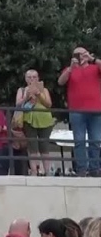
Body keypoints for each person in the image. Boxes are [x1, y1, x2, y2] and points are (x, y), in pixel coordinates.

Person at [58, 47, 101, 176]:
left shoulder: (95, 67)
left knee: (95, 140)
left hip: (95, 110)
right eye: (78, 54)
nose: (81, 56)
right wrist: (71, 67)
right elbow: (60, 81)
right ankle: (81, 169)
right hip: (76, 110)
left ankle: (95, 168)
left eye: (83, 54)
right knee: (79, 141)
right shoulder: (70, 70)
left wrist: (93, 59)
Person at [16, 69, 54, 176]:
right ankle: (34, 171)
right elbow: (18, 104)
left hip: (44, 120)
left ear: (38, 78)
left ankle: (47, 171)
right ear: (25, 79)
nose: (32, 79)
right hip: (29, 120)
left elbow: (49, 104)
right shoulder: (22, 90)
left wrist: (39, 94)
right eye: (29, 77)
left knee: (44, 146)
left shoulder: (44, 90)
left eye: (34, 77)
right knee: (32, 146)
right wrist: (26, 97)